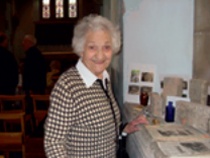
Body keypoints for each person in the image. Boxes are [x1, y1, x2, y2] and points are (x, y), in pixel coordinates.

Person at [44, 14, 148, 158]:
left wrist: (124, 129)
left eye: (106, 47)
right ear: (81, 49)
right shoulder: (68, 86)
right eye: (92, 47)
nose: (100, 55)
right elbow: (53, 143)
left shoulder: (103, 78)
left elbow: (99, 127)